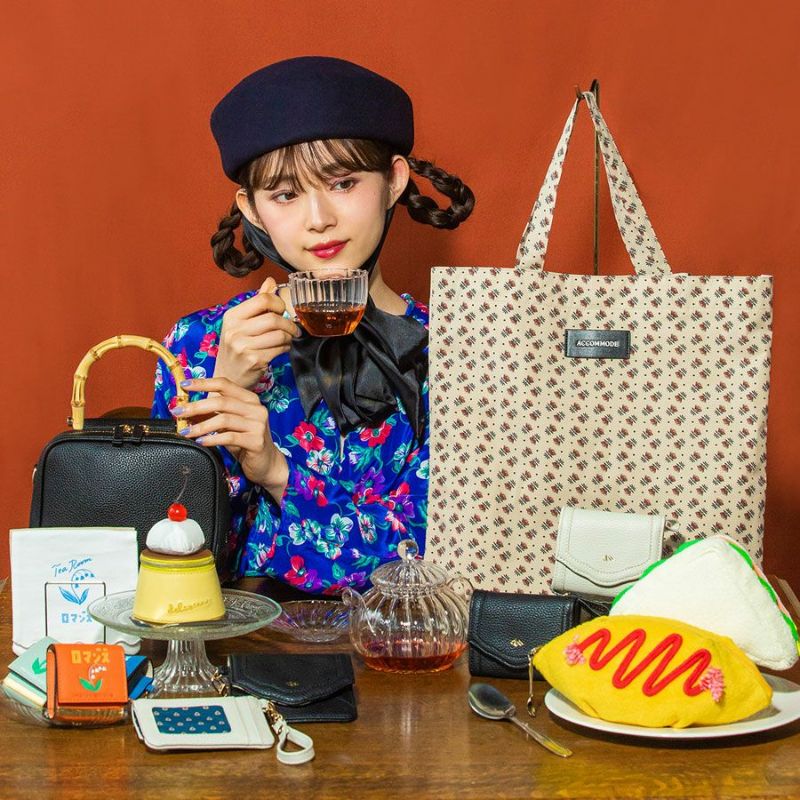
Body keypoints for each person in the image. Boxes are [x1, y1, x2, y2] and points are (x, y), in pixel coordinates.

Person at [152, 56, 474, 593]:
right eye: (285, 195)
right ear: (251, 209)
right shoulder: (196, 346)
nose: (319, 218)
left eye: (343, 183)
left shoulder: (462, 351)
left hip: (402, 640)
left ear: (394, 180)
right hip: (232, 639)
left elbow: (441, 559)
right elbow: (164, 555)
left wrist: (277, 473)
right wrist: (225, 392)